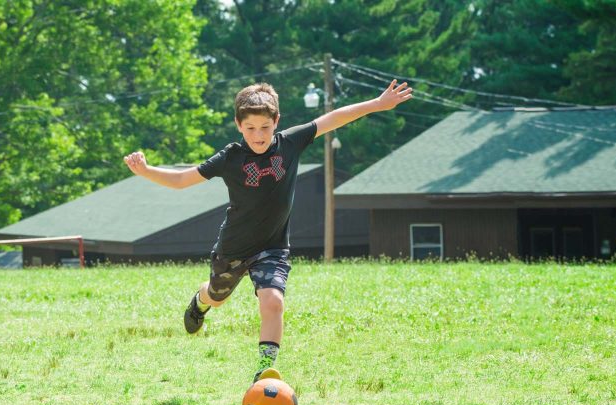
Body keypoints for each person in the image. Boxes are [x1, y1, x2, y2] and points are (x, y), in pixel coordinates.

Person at [124, 79, 412, 383]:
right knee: (217, 297)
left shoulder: (290, 143)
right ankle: (200, 302)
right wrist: (145, 171)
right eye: (250, 128)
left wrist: (378, 104)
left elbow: (335, 117)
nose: (258, 135)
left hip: (272, 247)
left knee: (273, 301)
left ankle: (265, 368)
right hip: (234, 248)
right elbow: (182, 180)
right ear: (238, 124)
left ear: (276, 121)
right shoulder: (230, 158)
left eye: (265, 127)